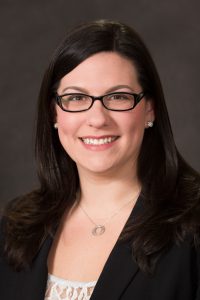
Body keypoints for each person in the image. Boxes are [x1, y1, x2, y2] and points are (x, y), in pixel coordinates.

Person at [0, 19, 200, 300]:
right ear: (54, 114)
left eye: (118, 97)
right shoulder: (16, 229)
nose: (97, 119)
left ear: (150, 111)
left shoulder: (193, 225)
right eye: (76, 98)